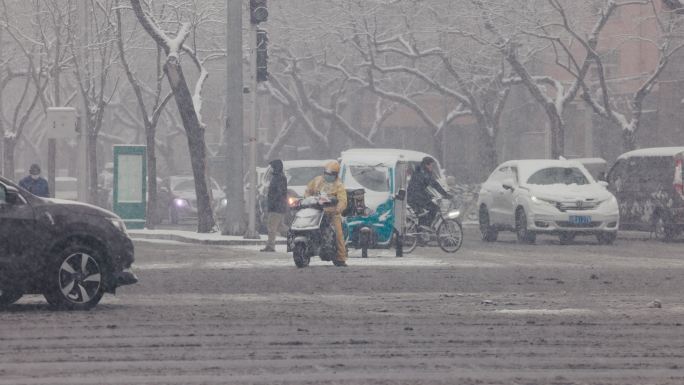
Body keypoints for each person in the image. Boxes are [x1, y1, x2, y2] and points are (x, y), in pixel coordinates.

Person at [304, 160, 348, 266]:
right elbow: (308, 191)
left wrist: (338, 209)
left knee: (338, 234)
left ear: (336, 174)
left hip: (331, 213)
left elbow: (343, 200)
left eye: (331, 174)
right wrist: (307, 200)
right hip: (316, 211)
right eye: (326, 173)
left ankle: (341, 258)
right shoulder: (317, 181)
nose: (328, 176)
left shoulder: (339, 185)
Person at [407, 157, 451, 228]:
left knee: (423, 214)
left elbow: (421, 186)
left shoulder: (420, 171)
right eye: (431, 165)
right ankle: (425, 227)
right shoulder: (424, 173)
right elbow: (434, 184)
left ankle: (422, 229)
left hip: (413, 196)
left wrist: (430, 195)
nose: (432, 167)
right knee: (434, 208)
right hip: (415, 197)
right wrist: (446, 194)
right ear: (426, 165)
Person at [261, 159, 288, 252]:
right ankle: (293, 235)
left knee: (272, 226)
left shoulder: (279, 178)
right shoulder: (277, 177)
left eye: (272, 167)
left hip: (276, 207)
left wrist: (272, 201)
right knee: (279, 226)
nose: (271, 169)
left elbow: (279, 193)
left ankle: (271, 245)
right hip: (277, 206)